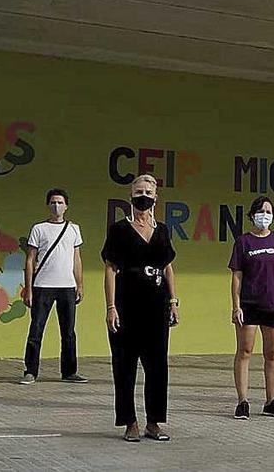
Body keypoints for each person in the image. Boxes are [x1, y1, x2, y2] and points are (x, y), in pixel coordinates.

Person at [102, 174, 179, 442]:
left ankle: (154, 422)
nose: (143, 195)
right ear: (131, 196)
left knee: (157, 365)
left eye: (148, 191)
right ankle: (129, 422)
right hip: (126, 302)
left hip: (156, 305)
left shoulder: (163, 230)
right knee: (124, 365)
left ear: (155, 197)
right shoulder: (119, 230)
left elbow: (168, 267)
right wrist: (111, 307)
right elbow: (110, 269)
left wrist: (173, 301)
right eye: (138, 191)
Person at [230, 196, 274, 419]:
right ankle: (243, 401)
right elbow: (237, 276)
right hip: (249, 304)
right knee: (245, 351)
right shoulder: (243, 242)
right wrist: (236, 306)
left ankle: (271, 401)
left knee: (273, 354)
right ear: (252, 214)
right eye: (260, 211)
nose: (264, 215)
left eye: (268, 211)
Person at [20, 188, 87, 385]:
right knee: (36, 329)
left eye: (60, 202)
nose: (56, 206)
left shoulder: (74, 229)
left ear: (66, 206)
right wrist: (29, 288)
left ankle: (69, 371)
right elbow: (30, 260)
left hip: (67, 286)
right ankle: (30, 371)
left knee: (68, 331)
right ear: (48, 205)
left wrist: (80, 284)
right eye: (53, 202)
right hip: (43, 285)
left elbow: (76, 259)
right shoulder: (39, 229)